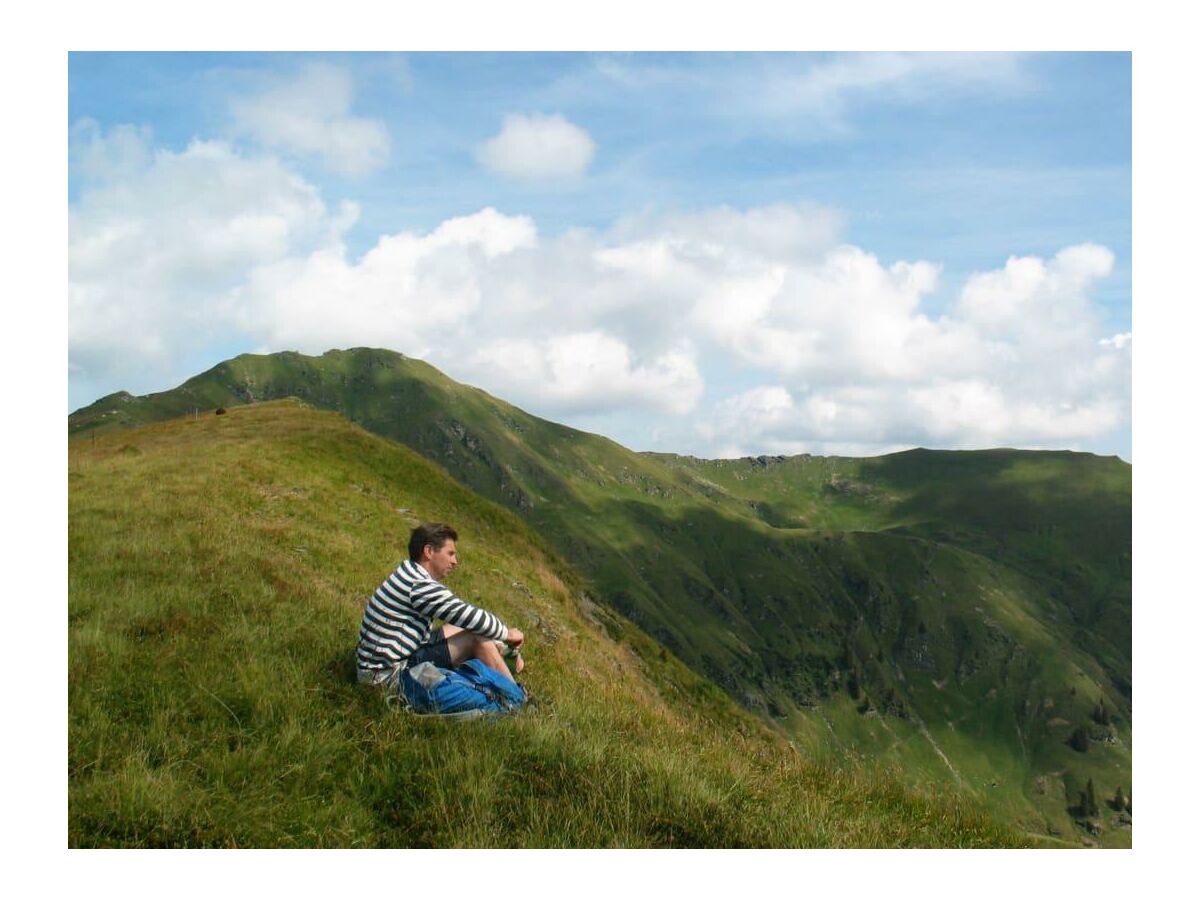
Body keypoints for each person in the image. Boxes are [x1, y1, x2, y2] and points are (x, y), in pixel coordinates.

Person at [356, 522, 525, 692]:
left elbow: (464, 619)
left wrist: (499, 640)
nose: (455, 562)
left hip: (383, 662)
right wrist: (506, 634)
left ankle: (500, 654)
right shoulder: (419, 586)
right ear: (429, 551)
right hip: (387, 676)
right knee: (476, 636)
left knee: (458, 627)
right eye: (450, 554)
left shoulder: (409, 573)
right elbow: (469, 616)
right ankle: (516, 696)